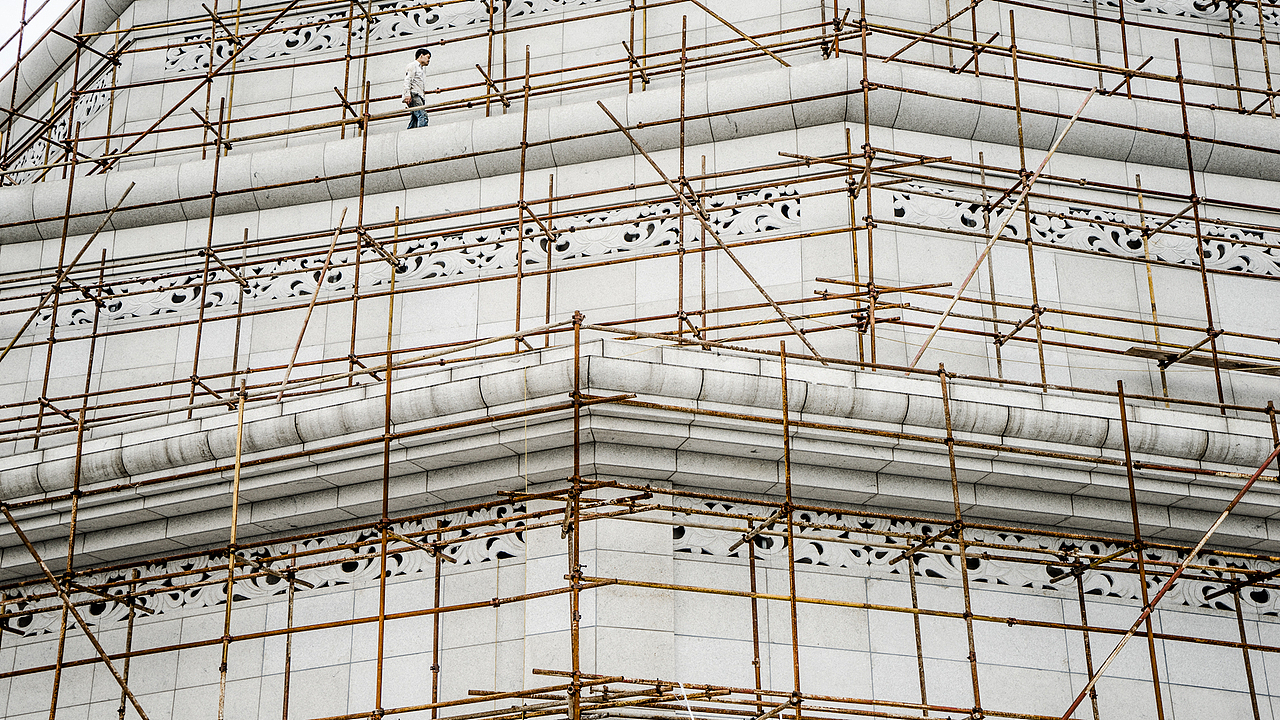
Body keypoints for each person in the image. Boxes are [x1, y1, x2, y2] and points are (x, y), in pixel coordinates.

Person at [402, 47, 432, 129]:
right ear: (421, 56)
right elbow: (407, 80)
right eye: (428, 57)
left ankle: (409, 133)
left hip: (419, 96)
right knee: (423, 115)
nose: (429, 60)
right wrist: (407, 95)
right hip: (414, 95)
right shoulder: (412, 65)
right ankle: (422, 134)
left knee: (415, 118)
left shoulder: (420, 69)